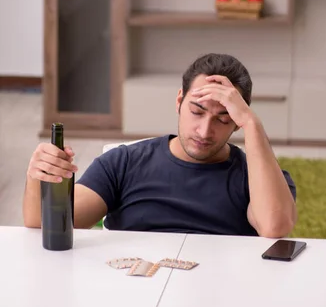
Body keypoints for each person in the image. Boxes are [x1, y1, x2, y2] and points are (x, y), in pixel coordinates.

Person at [24, 53, 297, 237]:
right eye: (197, 111)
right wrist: (37, 175)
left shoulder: (260, 179)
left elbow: (275, 227)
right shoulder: (124, 163)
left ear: (237, 123)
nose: (204, 131)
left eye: (223, 119)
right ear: (179, 101)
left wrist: (252, 123)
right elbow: (45, 223)